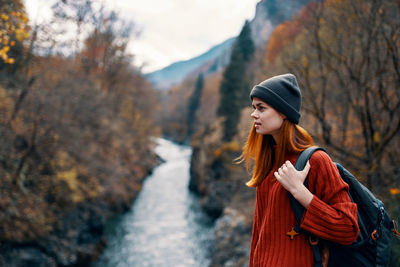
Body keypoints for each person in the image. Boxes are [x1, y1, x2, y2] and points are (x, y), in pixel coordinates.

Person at [238, 73, 359, 266]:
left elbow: (348, 229)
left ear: (283, 112)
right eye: (254, 108)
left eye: (261, 108)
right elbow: (259, 236)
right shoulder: (269, 160)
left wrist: (299, 191)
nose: (254, 114)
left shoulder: (316, 161)